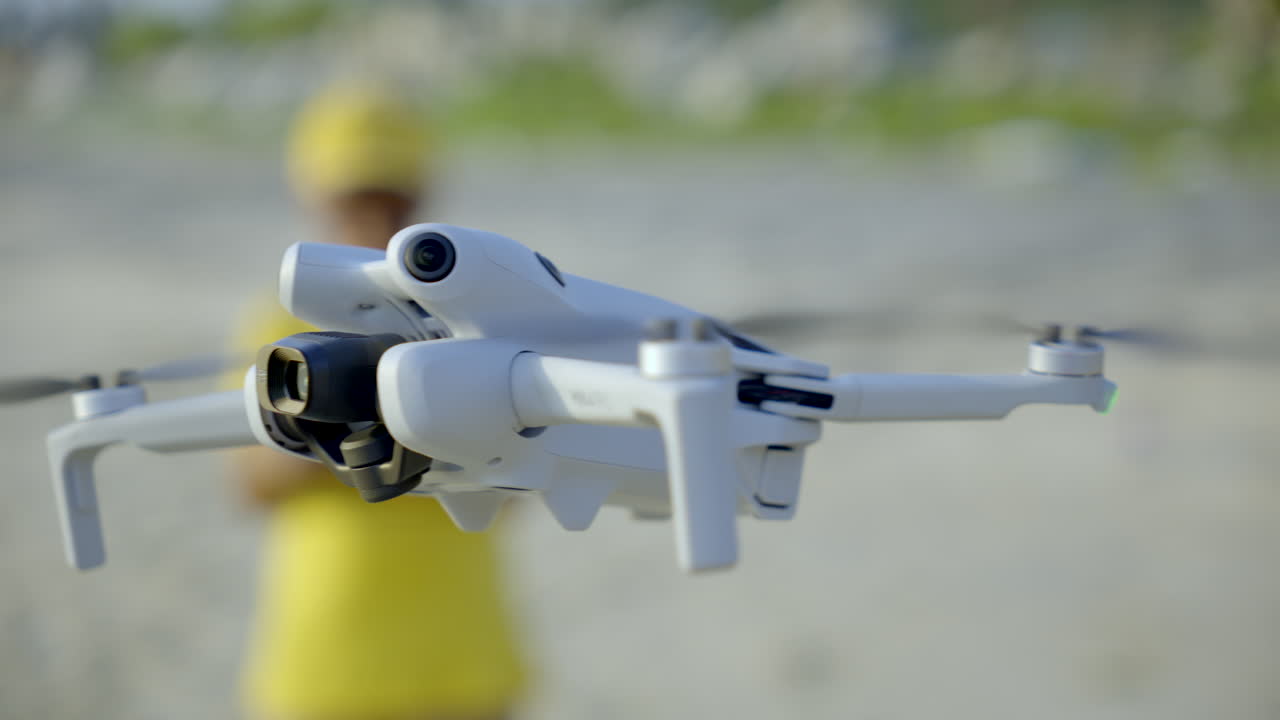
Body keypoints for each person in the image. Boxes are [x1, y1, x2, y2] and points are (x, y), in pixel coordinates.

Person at [228, 84, 526, 720]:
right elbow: (251, 481)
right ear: (316, 200)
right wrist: (358, 429)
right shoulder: (278, 321)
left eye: (393, 202)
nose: (375, 223)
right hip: (327, 663)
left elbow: (516, 494)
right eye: (355, 203)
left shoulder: (477, 319)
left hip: (463, 656)